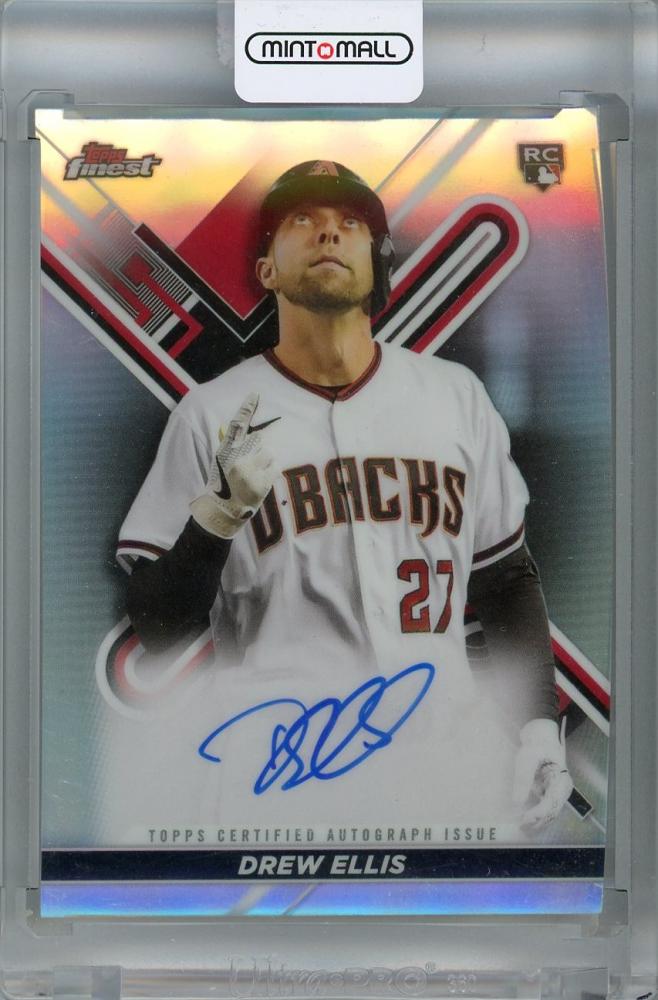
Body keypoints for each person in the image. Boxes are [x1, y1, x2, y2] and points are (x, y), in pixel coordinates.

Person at [118, 160, 572, 835]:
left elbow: (504, 579)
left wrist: (537, 726)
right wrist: (217, 515)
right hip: (279, 778)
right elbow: (159, 627)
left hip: (443, 774)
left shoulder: (455, 398)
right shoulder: (211, 414)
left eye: (351, 223)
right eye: (302, 220)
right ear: (267, 269)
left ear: (377, 263)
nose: (328, 232)